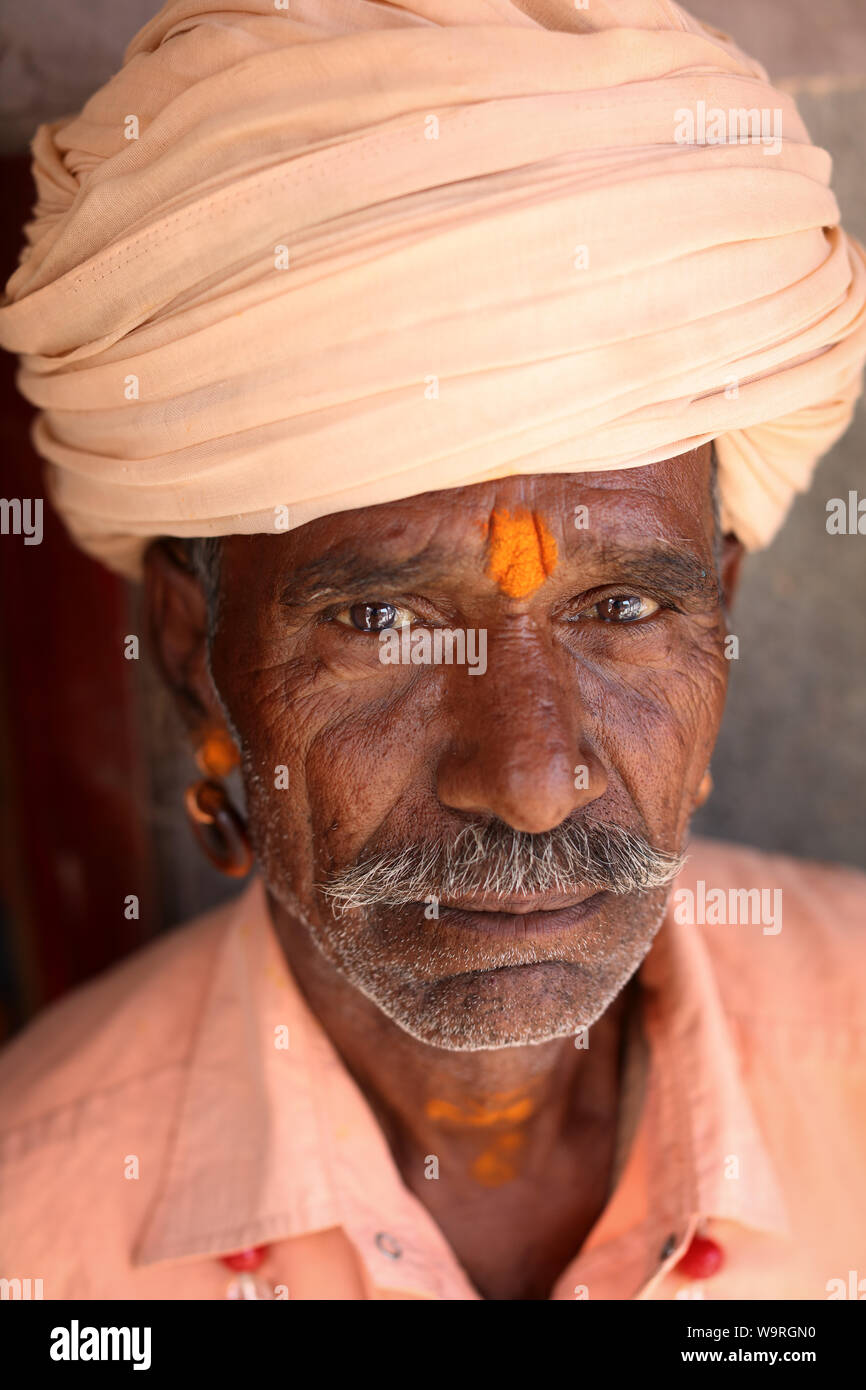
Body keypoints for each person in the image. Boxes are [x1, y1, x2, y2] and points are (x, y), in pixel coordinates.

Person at [0, 0, 864, 1302]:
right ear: (194, 652)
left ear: (724, 622)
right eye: (383, 621)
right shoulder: (37, 1228)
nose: (527, 777)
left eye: (623, 609)